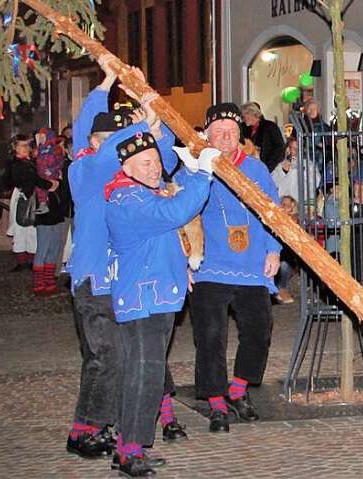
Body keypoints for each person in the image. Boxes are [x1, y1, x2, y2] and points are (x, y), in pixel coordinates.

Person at [106, 129, 217, 476]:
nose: (155, 168)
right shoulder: (128, 199)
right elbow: (176, 212)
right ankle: (129, 452)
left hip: (156, 294)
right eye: (145, 163)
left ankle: (130, 445)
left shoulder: (141, 193)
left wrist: (180, 268)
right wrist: (203, 174)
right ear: (126, 167)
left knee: (145, 373)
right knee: (143, 374)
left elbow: (164, 239)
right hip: (144, 299)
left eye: (155, 161)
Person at [65, 57, 152, 461]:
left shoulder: (125, 175)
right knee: (106, 357)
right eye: (107, 140)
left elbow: (156, 152)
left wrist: (147, 112)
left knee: (116, 358)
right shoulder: (84, 169)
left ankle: (102, 425)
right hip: (93, 281)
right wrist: (111, 85)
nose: (115, 148)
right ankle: (84, 430)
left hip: (122, 280)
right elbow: (92, 130)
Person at [191, 103, 282, 434]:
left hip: (252, 265)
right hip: (210, 266)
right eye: (218, 133)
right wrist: (185, 261)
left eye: (231, 131)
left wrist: (274, 250)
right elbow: (183, 215)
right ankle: (216, 402)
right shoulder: (197, 169)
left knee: (259, 329)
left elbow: (273, 213)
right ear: (207, 136)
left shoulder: (257, 170)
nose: (225, 137)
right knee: (210, 335)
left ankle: (239, 389)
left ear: (240, 135)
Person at [7, 134, 54, 272]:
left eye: (27, 145)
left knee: (32, 229)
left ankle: (32, 259)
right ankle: (22, 261)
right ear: (15, 147)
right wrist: (49, 185)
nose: (26, 148)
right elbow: (31, 179)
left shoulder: (30, 162)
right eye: (22, 145)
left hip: (33, 195)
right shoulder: (16, 163)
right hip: (23, 196)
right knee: (21, 227)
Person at [31, 127, 69, 295]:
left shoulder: (56, 153)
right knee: (44, 246)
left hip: (57, 205)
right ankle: (39, 282)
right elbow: (39, 176)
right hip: (45, 208)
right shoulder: (38, 155)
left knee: (54, 246)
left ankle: (49, 280)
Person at [240, 101, 285, 173]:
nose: (243, 119)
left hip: (269, 168)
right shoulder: (243, 128)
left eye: (244, 116)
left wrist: (268, 167)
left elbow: (279, 147)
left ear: (251, 113)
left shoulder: (270, 126)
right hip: (249, 168)